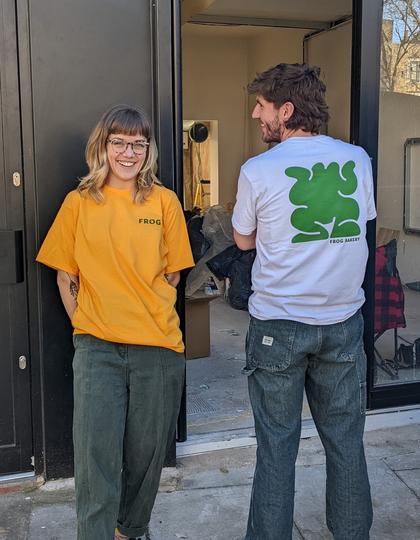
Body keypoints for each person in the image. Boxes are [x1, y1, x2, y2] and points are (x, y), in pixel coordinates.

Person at [36, 104, 194, 540]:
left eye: (138, 143)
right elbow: (64, 273)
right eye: (119, 142)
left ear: (148, 149)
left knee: (147, 457)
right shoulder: (79, 203)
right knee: (95, 458)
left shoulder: (164, 202)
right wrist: (84, 325)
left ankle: (130, 530)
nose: (129, 152)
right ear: (102, 146)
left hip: (159, 350)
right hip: (97, 350)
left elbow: (174, 273)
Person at [232, 64, 375, 540]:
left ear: (286, 110)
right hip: (343, 324)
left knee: (276, 448)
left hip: (278, 328)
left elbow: (244, 242)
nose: (256, 114)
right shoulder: (357, 159)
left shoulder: (257, 170)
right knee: (346, 444)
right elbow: (359, 224)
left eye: (263, 106)